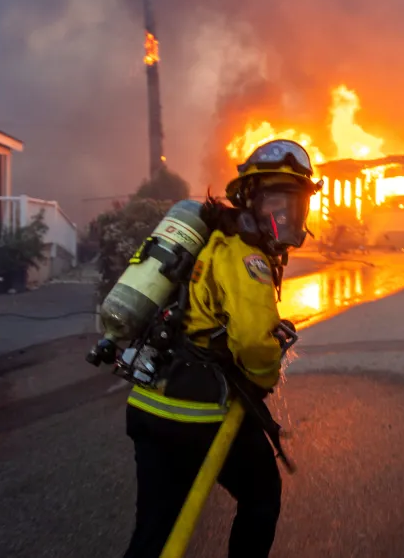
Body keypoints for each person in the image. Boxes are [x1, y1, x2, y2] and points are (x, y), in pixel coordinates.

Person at [124, 139, 323, 558]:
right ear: (249, 201)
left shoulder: (213, 241)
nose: (284, 217)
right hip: (197, 415)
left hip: (149, 405)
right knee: (262, 495)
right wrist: (266, 374)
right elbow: (253, 344)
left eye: (294, 205)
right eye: (274, 203)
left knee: (155, 532)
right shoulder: (245, 256)